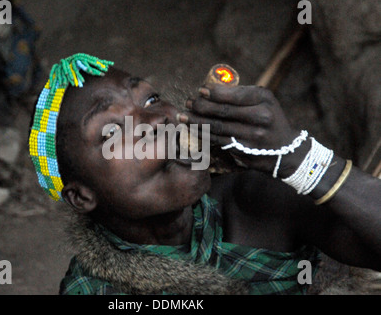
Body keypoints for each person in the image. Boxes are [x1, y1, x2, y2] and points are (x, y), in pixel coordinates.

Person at [28, 53, 381, 295]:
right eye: (111, 132)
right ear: (81, 196)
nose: (158, 121)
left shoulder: (253, 199)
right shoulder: (92, 288)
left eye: (151, 101)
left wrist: (298, 158)